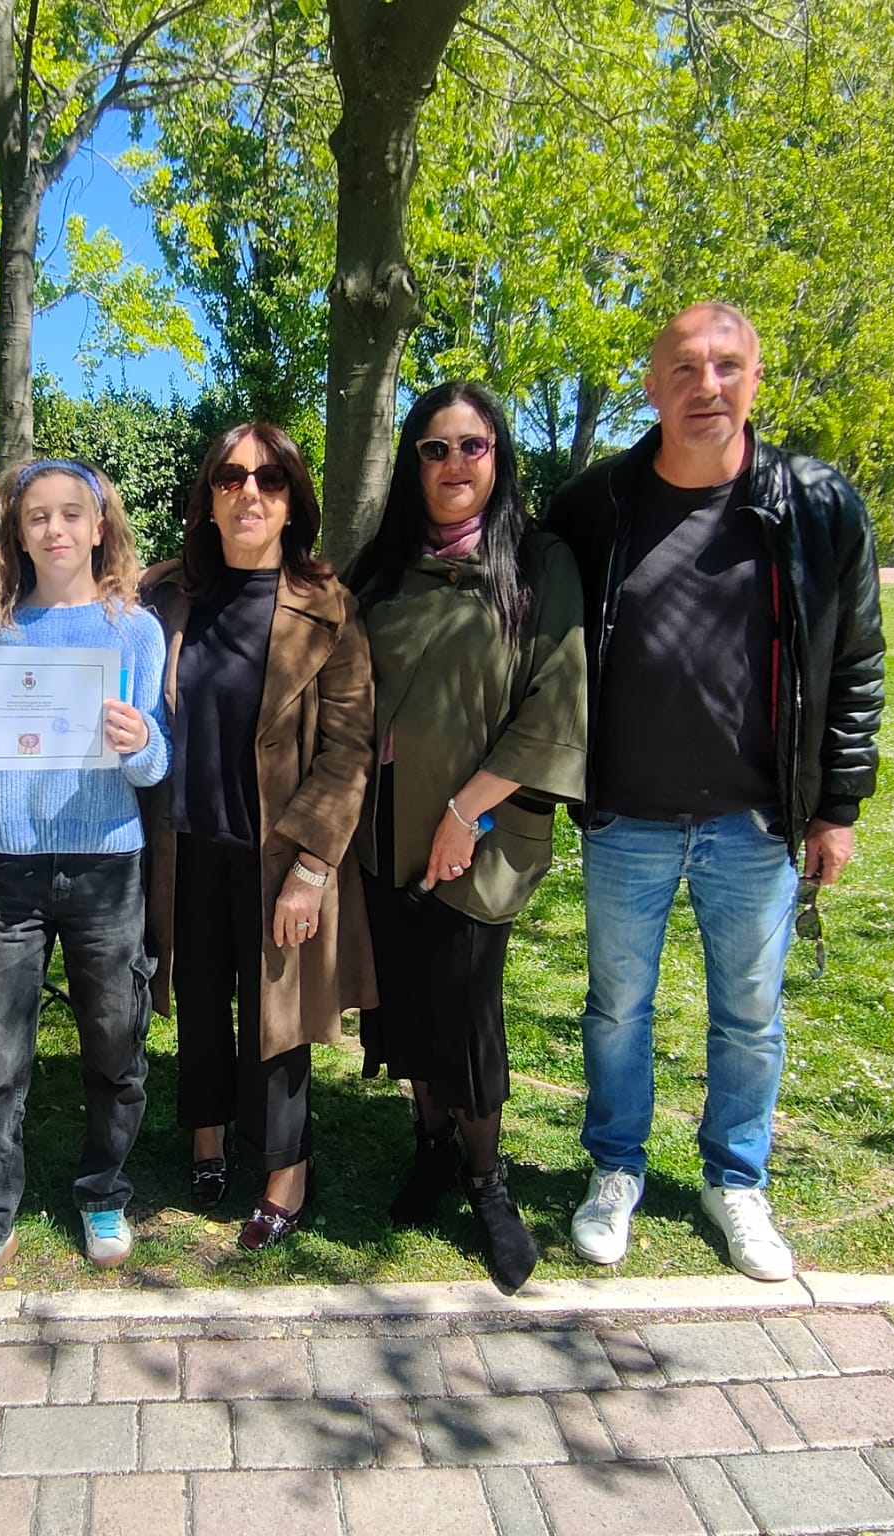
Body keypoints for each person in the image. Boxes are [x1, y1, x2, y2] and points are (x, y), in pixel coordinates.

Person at [545, 301, 884, 1281]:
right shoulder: (596, 505)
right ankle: (615, 1169)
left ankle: (735, 1180)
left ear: (755, 379)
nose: (707, 385)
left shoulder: (814, 504)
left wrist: (836, 806)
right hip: (626, 819)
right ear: (650, 387)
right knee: (617, 1010)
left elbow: (855, 661)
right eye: (685, 367)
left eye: (727, 365)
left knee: (749, 1016)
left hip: (754, 822)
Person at [347, 381, 587, 1296]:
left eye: (473, 446)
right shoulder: (384, 569)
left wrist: (466, 813)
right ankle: (430, 1147)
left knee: (466, 1011)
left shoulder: (538, 563)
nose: (455, 463)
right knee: (409, 1007)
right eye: (435, 448)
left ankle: (487, 1182)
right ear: (414, 462)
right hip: (386, 831)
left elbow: (555, 704)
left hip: (479, 835)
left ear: (498, 457)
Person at [0, 459, 168, 1313]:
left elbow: (155, 765)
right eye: (37, 517)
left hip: (108, 863)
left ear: (100, 527)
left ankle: (103, 1191)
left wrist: (139, 741)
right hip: (10, 864)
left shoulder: (135, 631)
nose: (55, 529)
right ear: (17, 534)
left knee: (115, 1040)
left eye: (71, 514)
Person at [141, 424, 375, 1253]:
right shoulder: (163, 596)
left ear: (293, 501)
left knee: (279, 1017)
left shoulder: (328, 606)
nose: (250, 492)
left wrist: (312, 869)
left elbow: (350, 747)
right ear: (207, 497)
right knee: (201, 1000)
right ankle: (205, 1137)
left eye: (271, 479)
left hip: (280, 853)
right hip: (184, 843)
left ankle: (285, 1171)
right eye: (232, 477)